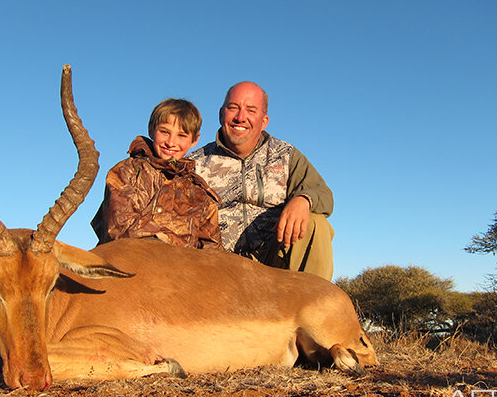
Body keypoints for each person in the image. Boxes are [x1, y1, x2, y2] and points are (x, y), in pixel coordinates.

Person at [188, 81, 334, 279]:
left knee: (316, 224)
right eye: (233, 108)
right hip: (218, 268)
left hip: (273, 261)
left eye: (251, 110)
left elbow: (323, 194)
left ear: (264, 121)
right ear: (221, 114)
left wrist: (303, 199)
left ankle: (313, 307)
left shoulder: (285, 154)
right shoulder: (195, 163)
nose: (241, 117)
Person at [92, 98, 222, 250]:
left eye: (181, 135)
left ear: (194, 140)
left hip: (180, 271)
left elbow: (213, 250)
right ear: (151, 129)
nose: (171, 142)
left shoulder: (201, 195)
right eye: (165, 132)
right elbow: (120, 225)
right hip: (127, 261)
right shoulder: (127, 171)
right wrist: (179, 249)